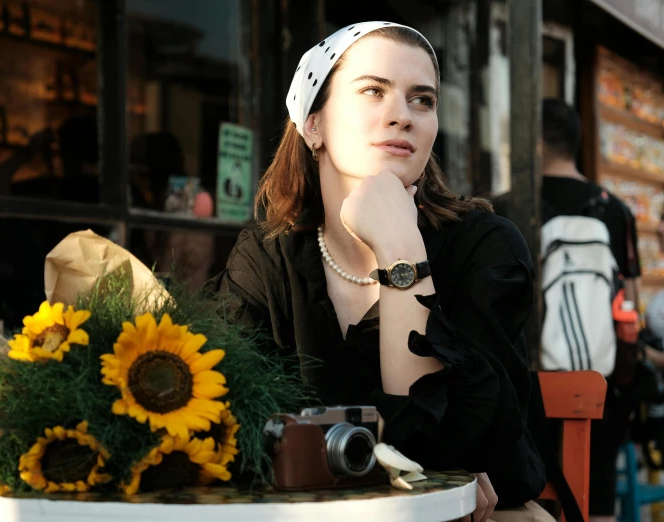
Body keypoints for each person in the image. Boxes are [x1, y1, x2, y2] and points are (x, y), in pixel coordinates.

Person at [207, 22, 552, 522]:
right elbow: (232, 430)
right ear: (313, 123)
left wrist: (399, 249)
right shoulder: (267, 259)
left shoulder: (484, 246)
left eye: (423, 100)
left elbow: (446, 453)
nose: (402, 116)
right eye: (373, 91)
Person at [498, 98, 641, 522]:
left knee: (526, 503)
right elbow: (630, 302)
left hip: (527, 388)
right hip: (599, 383)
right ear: (575, 143)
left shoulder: (508, 207)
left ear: (533, 142)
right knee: (595, 502)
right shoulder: (614, 209)